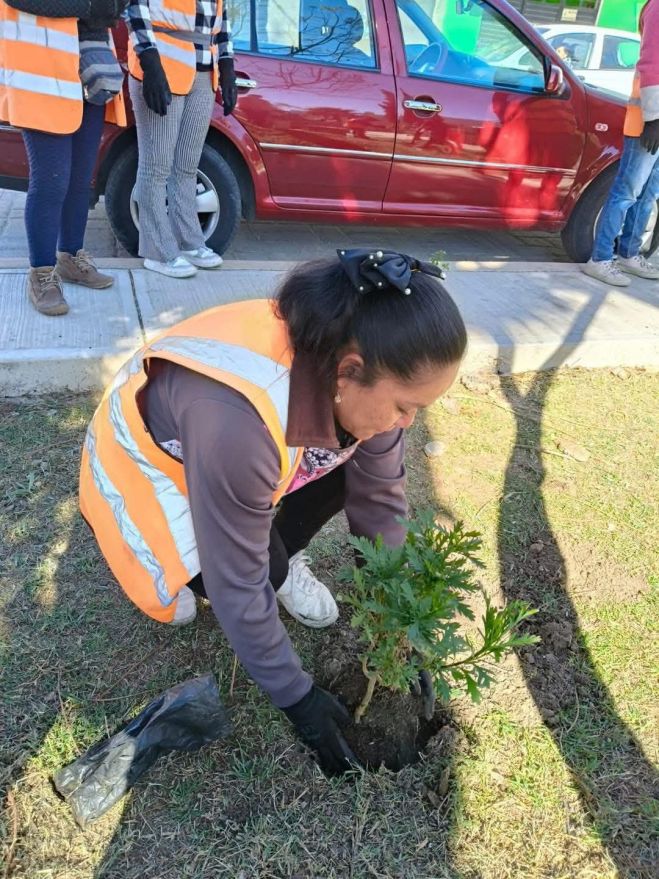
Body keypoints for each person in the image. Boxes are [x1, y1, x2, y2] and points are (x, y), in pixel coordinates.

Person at [78, 249, 467, 774]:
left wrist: (401, 625)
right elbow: (237, 581)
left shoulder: (358, 364)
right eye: (404, 406)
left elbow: (380, 497)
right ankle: (265, 566)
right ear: (349, 372)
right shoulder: (238, 422)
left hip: (234, 458)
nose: (408, 422)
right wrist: (298, 699)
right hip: (151, 467)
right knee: (214, 591)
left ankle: (278, 555)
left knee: (348, 464)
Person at [0, 0, 128, 316]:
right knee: (51, 183)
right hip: (40, 73)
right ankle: (41, 274)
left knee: (80, 179)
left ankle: (71, 257)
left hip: (89, 68)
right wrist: (90, 7)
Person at [126, 1, 237, 278]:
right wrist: (149, 62)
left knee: (187, 166)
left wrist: (227, 64)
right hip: (162, 68)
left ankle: (189, 242)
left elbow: (221, 20)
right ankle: (157, 252)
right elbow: (135, 8)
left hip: (204, 72)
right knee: (156, 168)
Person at [582, 0, 659, 287]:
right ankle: (600, 259)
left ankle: (628, 254)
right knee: (627, 192)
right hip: (648, 123)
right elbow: (651, 63)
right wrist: (653, 118)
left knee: (648, 195)